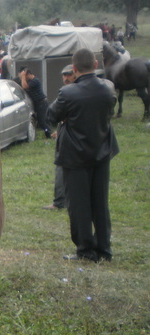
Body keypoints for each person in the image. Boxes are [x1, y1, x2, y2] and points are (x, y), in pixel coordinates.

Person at [48, 48, 119, 262]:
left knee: (79, 205)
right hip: (101, 151)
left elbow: (51, 115)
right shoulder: (108, 90)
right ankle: (104, 250)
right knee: (100, 202)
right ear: (96, 64)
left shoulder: (68, 92)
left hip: (75, 155)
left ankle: (86, 250)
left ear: (75, 68)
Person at [43, 65, 76, 210]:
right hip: (68, 134)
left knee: (62, 169)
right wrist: (60, 130)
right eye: (64, 75)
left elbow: (55, 115)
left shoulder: (70, 92)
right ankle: (61, 201)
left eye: (69, 75)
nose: (66, 78)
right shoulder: (71, 91)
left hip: (73, 138)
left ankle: (59, 202)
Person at [19, 67, 53, 138]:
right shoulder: (30, 81)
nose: (24, 78)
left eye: (25, 76)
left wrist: (22, 77)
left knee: (43, 121)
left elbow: (25, 86)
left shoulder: (35, 81)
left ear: (28, 74)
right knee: (42, 121)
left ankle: (50, 134)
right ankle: (49, 133)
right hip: (38, 104)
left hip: (42, 103)